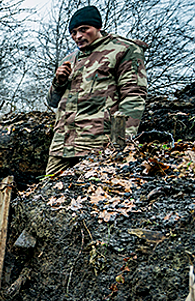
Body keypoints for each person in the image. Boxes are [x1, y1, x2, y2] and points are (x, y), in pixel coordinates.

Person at [45, 5, 148, 175]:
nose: (78, 36)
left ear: (98, 27)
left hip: (98, 145)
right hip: (61, 148)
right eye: (73, 32)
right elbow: (52, 102)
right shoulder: (70, 59)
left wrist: (121, 144)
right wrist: (58, 82)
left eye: (84, 29)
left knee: (94, 198)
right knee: (45, 196)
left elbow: (134, 96)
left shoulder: (123, 49)